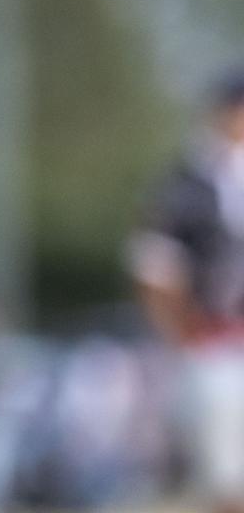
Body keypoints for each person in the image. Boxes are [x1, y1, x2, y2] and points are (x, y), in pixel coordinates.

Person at [130, 70, 244, 513]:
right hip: (214, 339)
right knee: (226, 471)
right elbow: (156, 268)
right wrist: (179, 334)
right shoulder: (186, 184)